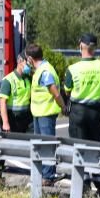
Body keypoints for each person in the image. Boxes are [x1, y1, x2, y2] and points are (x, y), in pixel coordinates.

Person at [26, 43, 65, 184]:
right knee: (39, 145)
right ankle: (42, 173)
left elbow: (55, 92)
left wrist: (63, 106)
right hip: (39, 113)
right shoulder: (40, 70)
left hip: (46, 114)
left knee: (47, 145)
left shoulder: (45, 71)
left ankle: (48, 176)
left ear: (30, 58)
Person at [64, 34, 100, 142]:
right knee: (95, 147)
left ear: (80, 47)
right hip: (96, 111)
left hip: (78, 111)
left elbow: (67, 91)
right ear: (95, 48)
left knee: (78, 147)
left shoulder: (72, 69)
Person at [0, 53, 32, 134]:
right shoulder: (8, 80)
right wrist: (5, 123)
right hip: (12, 119)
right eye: (27, 63)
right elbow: (2, 103)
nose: (29, 66)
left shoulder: (28, 78)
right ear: (20, 62)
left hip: (26, 119)